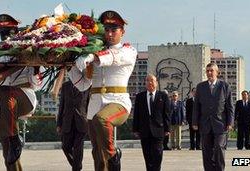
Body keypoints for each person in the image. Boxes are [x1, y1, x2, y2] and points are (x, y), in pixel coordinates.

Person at [68, 10, 137, 171]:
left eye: (114, 30)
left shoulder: (128, 50)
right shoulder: (94, 49)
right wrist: (70, 66)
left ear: (122, 32)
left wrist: (93, 57)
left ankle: (114, 157)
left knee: (102, 120)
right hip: (94, 105)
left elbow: (114, 57)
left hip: (118, 102)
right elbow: (84, 84)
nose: (110, 34)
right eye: (107, 30)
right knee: (97, 152)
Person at [0, 14, 42, 171]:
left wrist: (35, 67)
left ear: (16, 31)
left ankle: (15, 138)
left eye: (8, 32)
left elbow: (36, 84)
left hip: (24, 95)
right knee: (8, 153)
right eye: (2, 32)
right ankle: (13, 142)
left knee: (5, 91)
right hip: (3, 102)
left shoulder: (28, 47)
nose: (5, 36)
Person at [192, 63, 234, 171]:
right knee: (206, 151)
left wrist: (230, 122)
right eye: (207, 71)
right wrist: (195, 122)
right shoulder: (200, 87)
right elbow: (196, 106)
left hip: (221, 125)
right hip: (205, 124)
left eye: (211, 70)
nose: (209, 73)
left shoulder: (225, 86)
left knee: (219, 148)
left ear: (217, 72)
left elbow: (230, 106)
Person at [133, 74, 170, 171]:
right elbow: (136, 114)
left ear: (156, 83)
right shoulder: (140, 97)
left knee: (157, 154)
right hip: (144, 131)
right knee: (147, 156)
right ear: (145, 83)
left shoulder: (163, 96)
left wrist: (167, 129)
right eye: (147, 80)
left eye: (152, 80)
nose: (150, 82)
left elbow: (166, 114)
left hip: (158, 130)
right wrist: (135, 129)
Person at [56, 80, 90, 171]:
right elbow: (61, 105)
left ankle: (76, 169)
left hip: (82, 122)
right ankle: (77, 166)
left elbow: (89, 104)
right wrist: (59, 123)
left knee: (78, 148)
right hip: (67, 121)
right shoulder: (65, 86)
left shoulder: (87, 85)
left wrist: (90, 121)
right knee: (65, 146)